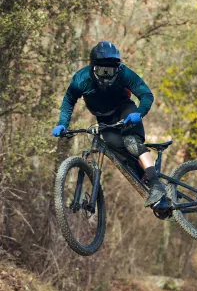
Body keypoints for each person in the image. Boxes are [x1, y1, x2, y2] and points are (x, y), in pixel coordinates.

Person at [51, 41, 167, 208]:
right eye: (102, 70)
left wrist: (139, 113)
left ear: (117, 68)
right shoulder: (81, 79)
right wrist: (62, 123)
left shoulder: (125, 74)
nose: (106, 75)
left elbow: (146, 94)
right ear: (93, 68)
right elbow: (69, 100)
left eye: (110, 70)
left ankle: (156, 185)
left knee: (131, 142)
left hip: (125, 111)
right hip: (105, 120)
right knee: (120, 154)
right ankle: (147, 181)